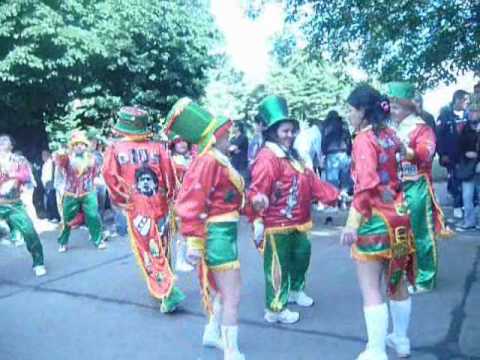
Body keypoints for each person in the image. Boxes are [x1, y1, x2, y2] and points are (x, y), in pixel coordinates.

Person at [248, 95, 340, 324]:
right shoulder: (267, 157)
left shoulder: (293, 156)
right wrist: (258, 219)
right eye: (284, 131)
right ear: (273, 133)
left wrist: (336, 196)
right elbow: (258, 191)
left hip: (300, 220)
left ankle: (295, 291)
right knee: (277, 265)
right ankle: (275, 308)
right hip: (277, 224)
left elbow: (311, 181)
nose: (289, 135)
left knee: (301, 257)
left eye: (292, 131)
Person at [340, 84, 416, 360]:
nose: (348, 114)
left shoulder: (364, 140)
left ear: (362, 111)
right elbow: (408, 160)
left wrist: (351, 223)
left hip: (374, 219)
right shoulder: (392, 136)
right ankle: (402, 340)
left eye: (350, 109)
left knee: (371, 286)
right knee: (397, 282)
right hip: (399, 217)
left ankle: (376, 349)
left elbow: (366, 185)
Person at [169, 99, 245, 360]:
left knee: (222, 291)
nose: (230, 136)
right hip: (218, 235)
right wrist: (193, 242)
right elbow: (191, 202)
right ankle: (232, 351)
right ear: (216, 136)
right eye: (226, 133)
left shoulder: (215, 159)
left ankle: (213, 333)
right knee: (232, 293)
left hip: (223, 233)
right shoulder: (210, 161)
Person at [103, 106, 185, 313]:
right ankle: (164, 288)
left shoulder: (115, 149)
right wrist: (172, 197)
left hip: (137, 207)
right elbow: (170, 175)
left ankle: (167, 291)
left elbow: (110, 177)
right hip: (161, 205)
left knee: (149, 249)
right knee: (163, 247)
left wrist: (121, 200)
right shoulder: (157, 148)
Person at [388, 82, 451, 294]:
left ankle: (426, 277)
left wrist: (405, 150)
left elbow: (425, 153)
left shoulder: (422, 129)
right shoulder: (391, 129)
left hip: (417, 186)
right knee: (398, 232)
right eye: (391, 106)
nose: (392, 111)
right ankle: (403, 272)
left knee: (422, 232)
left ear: (407, 108)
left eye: (395, 107)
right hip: (396, 187)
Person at [0, 134, 46, 277]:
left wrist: (12, 175)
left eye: (5, 141)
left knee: (29, 231)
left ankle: (38, 263)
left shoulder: (18, 160)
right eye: (0, 141)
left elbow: (26, 176)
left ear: (11, 146)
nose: (2, 143)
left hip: (14, 204)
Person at [55, 131, 107, 252]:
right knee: (67, 219)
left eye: (82, 144)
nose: (79, 146)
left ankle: (98, 240)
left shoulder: (92, 158)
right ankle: (63, 242)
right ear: (72, 146)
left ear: (85, 146)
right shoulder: (67, 158)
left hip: (88, 192)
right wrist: (61, 153)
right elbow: (60, 162)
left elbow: (96, 172)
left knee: (93, 217)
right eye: (76, 144)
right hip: (70, 194)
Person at [437, 89, 470, 219]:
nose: (467, 103)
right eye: (465, 100)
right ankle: (457, 206)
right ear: (458, 100)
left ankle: (465, 205)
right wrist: (442, 154)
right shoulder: (445, 115)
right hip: (451, 156)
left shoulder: (468, 115)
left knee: (466, 180)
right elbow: (439, 137)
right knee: (455, 179)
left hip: (466, 156)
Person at [170, 136, 194, 272]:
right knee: (181, 232)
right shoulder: (172, 161)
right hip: (177, 200)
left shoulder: (189, 159)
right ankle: (179, 261)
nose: (182, 144)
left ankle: (184, 258)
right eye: (178, 141)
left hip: (189, 199)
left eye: (185, 140)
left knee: (186, 231)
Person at [456, 95, 480, 231]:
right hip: (467, 166)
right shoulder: (464, 128)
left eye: (476, 111)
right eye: (471, 111)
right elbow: (459, 146)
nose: (473, 114)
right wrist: (464, 155)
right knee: (467, 196)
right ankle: (469, 221)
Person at [321, 110, 353, 202]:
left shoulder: (327, 127)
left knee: (332, 181)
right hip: (344, 154)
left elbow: (324, 142)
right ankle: (344, 200)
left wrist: (324, 152)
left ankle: (335, 200)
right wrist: (349, 152)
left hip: (331, 155)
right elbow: (348, 140)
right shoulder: (344, 126)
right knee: (345, 179)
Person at [41, 150, 60, 222]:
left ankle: (56, 216)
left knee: (52, 201)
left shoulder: (51, 163)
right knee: (48, 201)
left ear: (48, 155)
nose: (42, 157)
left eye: (44, 155)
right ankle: (50, 216)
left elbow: (51, 174)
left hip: (50, 184)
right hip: (46, 184)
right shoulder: (44, 164)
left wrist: (50, 182)